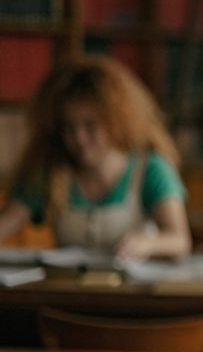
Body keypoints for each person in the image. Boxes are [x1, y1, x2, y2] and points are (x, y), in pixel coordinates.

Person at [0, 55, 190, 258]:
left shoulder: (151, 168)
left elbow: (179, 240)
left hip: (132, 288)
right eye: (69, 128)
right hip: (70, 289)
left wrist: (147, 244)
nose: (79, 139)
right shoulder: (52, 172)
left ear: (116, 121)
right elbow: (8, 222)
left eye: (90, 126)